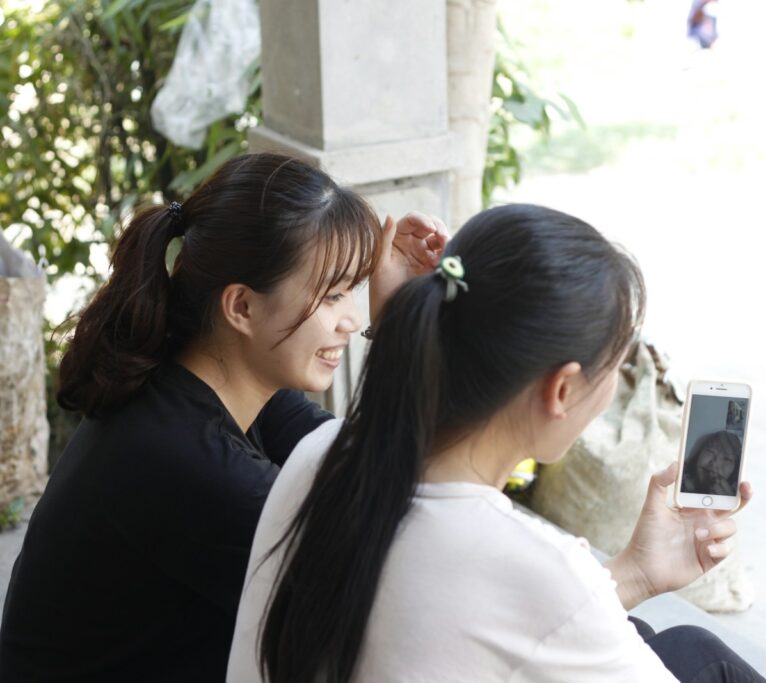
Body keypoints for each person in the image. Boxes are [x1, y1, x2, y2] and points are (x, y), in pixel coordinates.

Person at [227, 203, 766, 683]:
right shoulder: (535, 568)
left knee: (688, 648)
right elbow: (529, 600)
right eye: (615, 367)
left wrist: (636, 572)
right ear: (560, 389)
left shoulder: (320, 456)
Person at [0, 152, 448, 681]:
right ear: (241, 307)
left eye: (352, 290)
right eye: (331, 296)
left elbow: (369, 465)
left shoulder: (212, 378)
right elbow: (392, 573)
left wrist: (399, 319)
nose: (352, 319)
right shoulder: (189, 461)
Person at [682, 430, 743, 496]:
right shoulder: (678, 481)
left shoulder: (737, 496)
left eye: (727, 459)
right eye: (711, 451)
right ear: (699, 452)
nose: (715, 464)